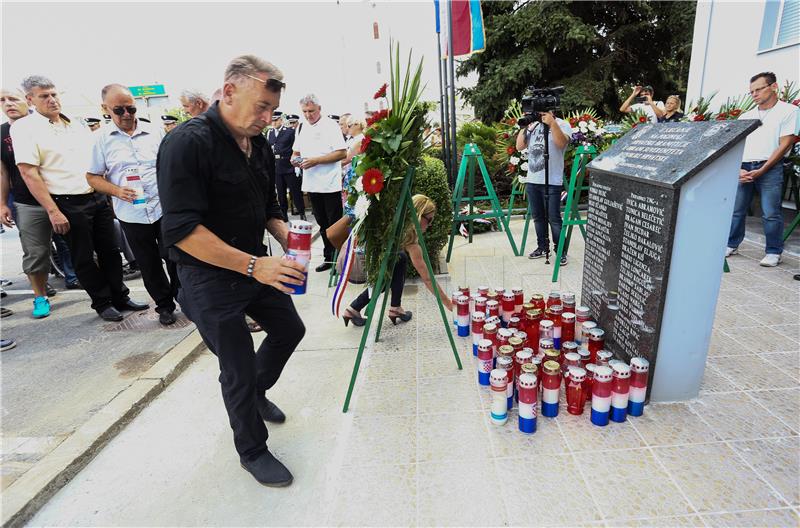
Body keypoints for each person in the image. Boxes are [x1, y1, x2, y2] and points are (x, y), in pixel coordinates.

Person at [157, 54, 306, 487]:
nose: (267, 118)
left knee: (289, 329)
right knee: (236, 364)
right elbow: (182, 231)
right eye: (260, 106)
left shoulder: (256, 141)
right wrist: (256, 265)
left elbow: (267, 205)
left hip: (254, 263)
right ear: (228, 91)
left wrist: (286, 234)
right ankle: (252, 449)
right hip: (207, 274)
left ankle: (256, 393)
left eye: (272, 110)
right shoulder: (187, 143)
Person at [13, 75, 148, 321]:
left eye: (54, 94)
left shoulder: (74, 123)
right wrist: (53, 211)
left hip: (96, 196)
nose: (52, 100)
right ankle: (102, 302)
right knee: (84, 257)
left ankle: (120, 296)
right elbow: (28, 172)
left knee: (111, 251)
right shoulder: (24, 128)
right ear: (30, 99)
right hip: (66, 202)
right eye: (44, 96)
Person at [86, 84, 179, 325]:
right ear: (106, 109)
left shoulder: (155, 131)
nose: (127, 114)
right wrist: (117, 191)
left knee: (176, 256)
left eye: (131, 108)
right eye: (119, 110)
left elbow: (171, 165)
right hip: (132, 213)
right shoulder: (100, 140)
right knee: (148, 263)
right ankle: (164, 305)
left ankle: (186, 298)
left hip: (162, 208)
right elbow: (92, 177)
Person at [343, 194, 452, 327]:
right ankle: (359, 309)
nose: (430, 225)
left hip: (355, 259)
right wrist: (449, 304)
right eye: (429, 220)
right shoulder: (410, 241)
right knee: (386, 273)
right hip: (356, 266)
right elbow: (428, 279)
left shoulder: (395, 218)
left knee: (399, 259)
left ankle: (390, 308)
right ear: (419, 215)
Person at [726, 71, 800, 267]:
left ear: (774, 87)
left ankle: (774, 251)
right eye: (751, 91)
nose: (755, 94)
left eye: (759, 89)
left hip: (771, 167)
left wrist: (764, 169)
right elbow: (737, 145)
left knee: (770, 212)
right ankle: (731, 244)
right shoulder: (746, 115)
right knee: (737, 210)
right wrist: (737, 169)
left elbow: (785, 144)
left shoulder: (789, 111)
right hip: (744, 167)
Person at [1, 87, 62, 316]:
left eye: (13, 98)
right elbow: (3, 173)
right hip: (28, 203)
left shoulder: (50, 125)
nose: (8, 103)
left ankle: (100, 293)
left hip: (64, 196)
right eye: (2, 100)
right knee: (35, 253)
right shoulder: (1, 134)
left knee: (82, 247)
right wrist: (2, 203)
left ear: (27, 100)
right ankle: (40, 297)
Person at [291, 94, 347, 272]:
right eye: (305, 111)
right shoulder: (301, 127)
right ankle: (329, 258)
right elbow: (295, 152)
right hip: (311, 183)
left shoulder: (330, 126)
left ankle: (342, 259)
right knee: (322, 223)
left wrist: (316, 161)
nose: (308, 115)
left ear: (319, 109)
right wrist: (295, 160)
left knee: (334, 224)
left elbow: (341, 153)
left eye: (311, 111)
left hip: (329, 184)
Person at [516, 112, 573, 265]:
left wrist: (552, 123)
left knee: (554, 218)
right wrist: (524, 126)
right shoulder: (533, 126)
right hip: (533, 180)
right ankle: (542, 247)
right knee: (538, 217)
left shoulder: (562, 124)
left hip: (552, 180)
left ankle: (561, 251)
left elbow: (561, 144)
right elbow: (519, 146)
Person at [267, 111, 305, 221]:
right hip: (277, 167)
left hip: (289, 166)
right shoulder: (270, 133)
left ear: (281, 120)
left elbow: (297, 149)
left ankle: (301, 212)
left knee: (295, 192)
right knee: (281, 193)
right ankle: (283, 214)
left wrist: (297, 165)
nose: (273, 123)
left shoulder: (290, 132)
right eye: (272, 120)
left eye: (275, 120)